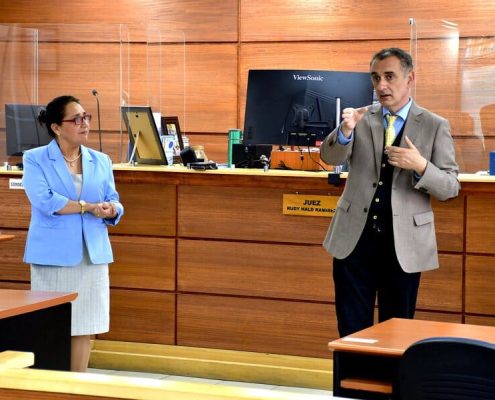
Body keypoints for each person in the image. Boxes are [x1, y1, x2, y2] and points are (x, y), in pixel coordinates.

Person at [320, 48, 460, 337]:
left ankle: (393, 371)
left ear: (410, 78)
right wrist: (344, 132)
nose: (381, 85)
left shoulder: (435, 125)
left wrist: (421, 165)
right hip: (354, 240)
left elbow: (450, 187)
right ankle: (351, 371)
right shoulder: (360, 117)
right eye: (375, 77)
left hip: (404, 245)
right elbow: (330, 157)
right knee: (351, 329)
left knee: (397, 331)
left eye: (389, 76)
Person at [22, 95, 124, 371]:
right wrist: (87, 206)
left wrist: (111, 209)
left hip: (92, 255)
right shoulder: (35, 159)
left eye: (86, 117)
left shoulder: (101, 160)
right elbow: (45, 201)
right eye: (76, 119)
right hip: (53, 255)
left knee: (84, 324)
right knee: (52, 324)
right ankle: (51, 385)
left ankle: (77, 384)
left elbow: (114, 200)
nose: (85, 123)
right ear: (56, 127)